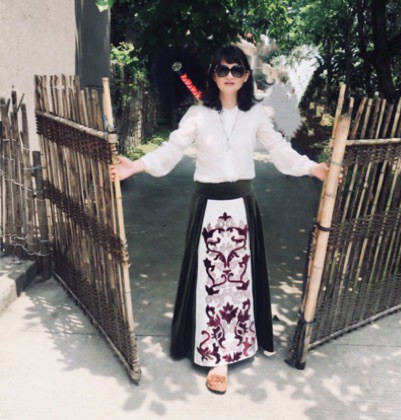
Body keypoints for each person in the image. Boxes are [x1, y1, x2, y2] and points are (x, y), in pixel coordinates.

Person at [110, 45, 336, 394]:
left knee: (238, 281)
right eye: (222, 69)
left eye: (237, 69)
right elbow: (172, 149)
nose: (229, 75)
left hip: (243, 207)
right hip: (208, 208)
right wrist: (135, 166)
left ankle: (235, 346)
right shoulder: (198, 115)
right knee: (212, 282)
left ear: (246, 76)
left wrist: (313, 168)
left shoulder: (256, 115)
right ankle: (216, 354)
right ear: (213, 75)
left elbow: (278, 149)